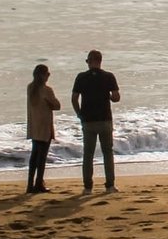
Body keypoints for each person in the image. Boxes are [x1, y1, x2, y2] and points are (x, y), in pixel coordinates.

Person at [71, 49, 121, 193]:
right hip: (105, 118)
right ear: (100, 61)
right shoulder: (108, 76)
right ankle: (110, 185)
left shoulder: (81, 77)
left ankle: (88, 187)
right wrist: (109, 97)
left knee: (88, 154)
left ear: (90, 61)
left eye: (87, 61)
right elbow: (116, 97)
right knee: (107, 153)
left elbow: (74, 98)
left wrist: (79, 114)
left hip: (88, 120)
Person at [26, 64, 61, 194]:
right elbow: (57, 106)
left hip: (34, 126)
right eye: (47, 73)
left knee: (34, 156)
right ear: (42, 75)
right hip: (45, 126)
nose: (48, 76)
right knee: (42, 157)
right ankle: (39, 183)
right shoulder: (47, 90)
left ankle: (30, 184)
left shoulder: (30, 88)